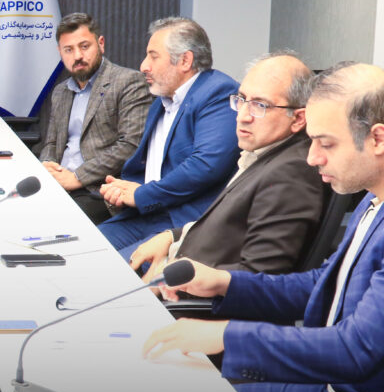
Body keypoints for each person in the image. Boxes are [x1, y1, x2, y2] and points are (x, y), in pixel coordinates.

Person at [143, 62, 384, 392]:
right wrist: (223, 283)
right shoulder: (373, 199)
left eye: (326, 143)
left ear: (378, 139)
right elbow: (323, 285)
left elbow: (354, 350)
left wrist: (225, 335)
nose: (312, 158)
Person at [128, 52, 324, 278]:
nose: (242, 116)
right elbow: (224, 225)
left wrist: (168, 281)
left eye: (260, 105)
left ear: (298, 119)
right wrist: (172, 236)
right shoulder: (262, 153)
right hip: (179, 255)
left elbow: (257, 278)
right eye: (241, 99)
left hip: (186, 287)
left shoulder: (290, 174)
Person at [96, 17, 241, 254]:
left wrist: (141, 194)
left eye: (153, 56)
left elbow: (205, 165)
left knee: (117, 268)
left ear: (185, 60)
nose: (143, 66)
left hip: (182, 223)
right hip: (147, 214)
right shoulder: (161, 102)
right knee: (82, 251)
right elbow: (158, 169)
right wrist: (125, 190)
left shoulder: (218, 92)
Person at [39, 13, 153, 224]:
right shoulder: (61, 92)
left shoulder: (129, 82)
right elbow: (52, 143)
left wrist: (77, 177)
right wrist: (47, 165)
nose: (77, 56)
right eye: (68, 50)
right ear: (60, 52)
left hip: (98, 189)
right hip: (58, 183)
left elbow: (130, 145)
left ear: (101, 44)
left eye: (84, 46)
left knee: (51, 221)